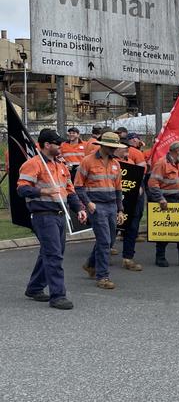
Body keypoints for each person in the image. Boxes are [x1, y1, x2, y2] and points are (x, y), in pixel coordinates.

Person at [19, 129, 87, 310]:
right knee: (54, 255)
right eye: (57, 143)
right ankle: (58, 296)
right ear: (47, 145)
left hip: (59, 215)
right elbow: (22, 189)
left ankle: (34, 288)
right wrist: (42, 191)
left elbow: (70, 191)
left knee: (50, 253)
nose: (61, 146)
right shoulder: (33, 164)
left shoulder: (61, 166)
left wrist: (79, 208)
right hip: (43, 215)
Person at [75, 132, 127, 289]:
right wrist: (88, 203)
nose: (114, 149)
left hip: (112, 205)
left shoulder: (116, 164)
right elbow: (78, 185)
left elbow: (118, 189)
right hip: (97, 206)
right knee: (104, 241)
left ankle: (91, 264)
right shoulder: (87, 161)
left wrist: (120, 210)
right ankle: (102, 276)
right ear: (103, 145)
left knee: (110, 240)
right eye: (111, 146)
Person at [148, 141, 179, 267]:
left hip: (178, 200)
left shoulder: (178, 164)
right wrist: (160, 199)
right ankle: (160, 257)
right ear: (178, 151)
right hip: (166, 200)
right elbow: (153, 183)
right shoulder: (162, 163)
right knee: (164, 230)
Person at [114, 138, 145, 272]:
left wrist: (139, 187)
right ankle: (96, 260)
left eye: (128, 147)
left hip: (132, 202)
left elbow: (137, 180)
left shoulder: (130, 162)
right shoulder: (112, 163)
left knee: (132, 228)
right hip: (115, 201)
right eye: (124, 147)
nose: (127, 150)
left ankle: (128, 258)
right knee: (111, 230)